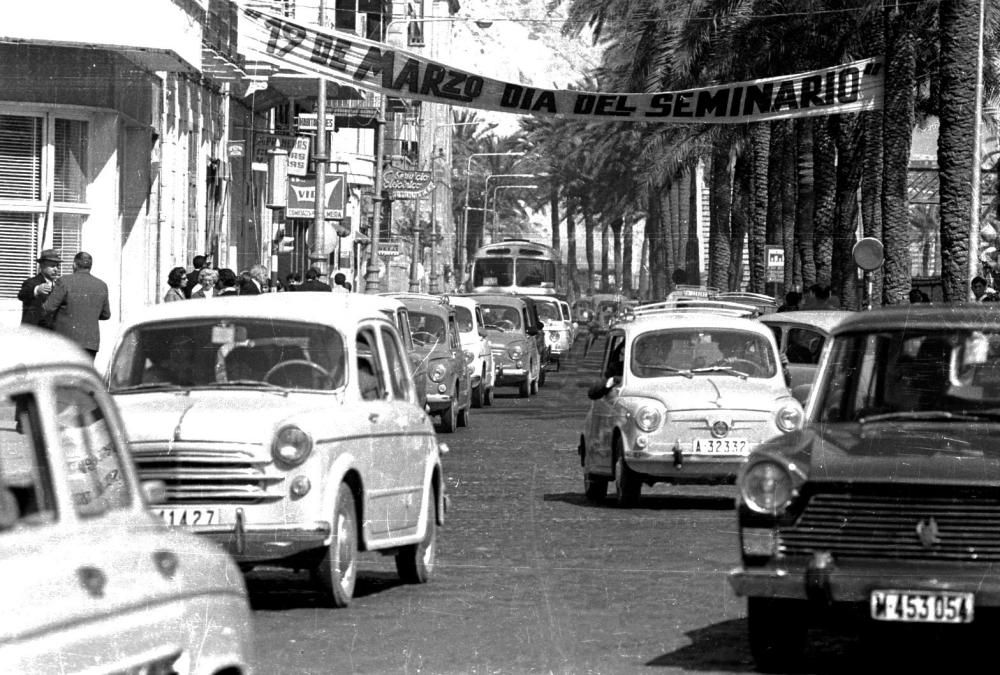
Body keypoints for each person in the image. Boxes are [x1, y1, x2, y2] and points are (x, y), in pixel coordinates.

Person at [41, 251, 111, 360]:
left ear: (74, 265)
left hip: (66, 342)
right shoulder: (102, 285)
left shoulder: (64, 281)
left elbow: (48, 307)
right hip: (90, 343)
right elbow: (106, 314)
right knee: (83, 376)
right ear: (90, 266)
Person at [18, 248, 62, 328]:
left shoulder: (59, 286)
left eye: (57, 266)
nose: (56, 269)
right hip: (34, 333)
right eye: (52, 266)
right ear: (42, 266)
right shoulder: (31, 282)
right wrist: (36, 290)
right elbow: (22, 295)